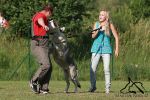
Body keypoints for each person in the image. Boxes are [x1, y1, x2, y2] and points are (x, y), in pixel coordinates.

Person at [89, 10, 119, 94]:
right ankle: (93, 86)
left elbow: (116, 37)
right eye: (99, 15)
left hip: (106, 49)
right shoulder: (96, 24)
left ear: (106, 17)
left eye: (102, 15)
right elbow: (93, 36)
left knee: (106, 69)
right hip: (95, 49)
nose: (100, 16)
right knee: (92, 69)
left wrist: (117, 49)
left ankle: (107, 89)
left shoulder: (110, 25)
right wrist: (99, 29)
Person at [30, 3, 53, 94]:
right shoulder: (40, 15)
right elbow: (40, 21)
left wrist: (59, 30)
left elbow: (49, 29)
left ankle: (44, 88)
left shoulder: (46, 19)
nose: (50, 16)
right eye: (50, 14)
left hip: (45, 43)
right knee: (46, 65)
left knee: (49, 67)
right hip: (38, 43)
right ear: (48, 11)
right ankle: (34, 80)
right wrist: (43, 25)